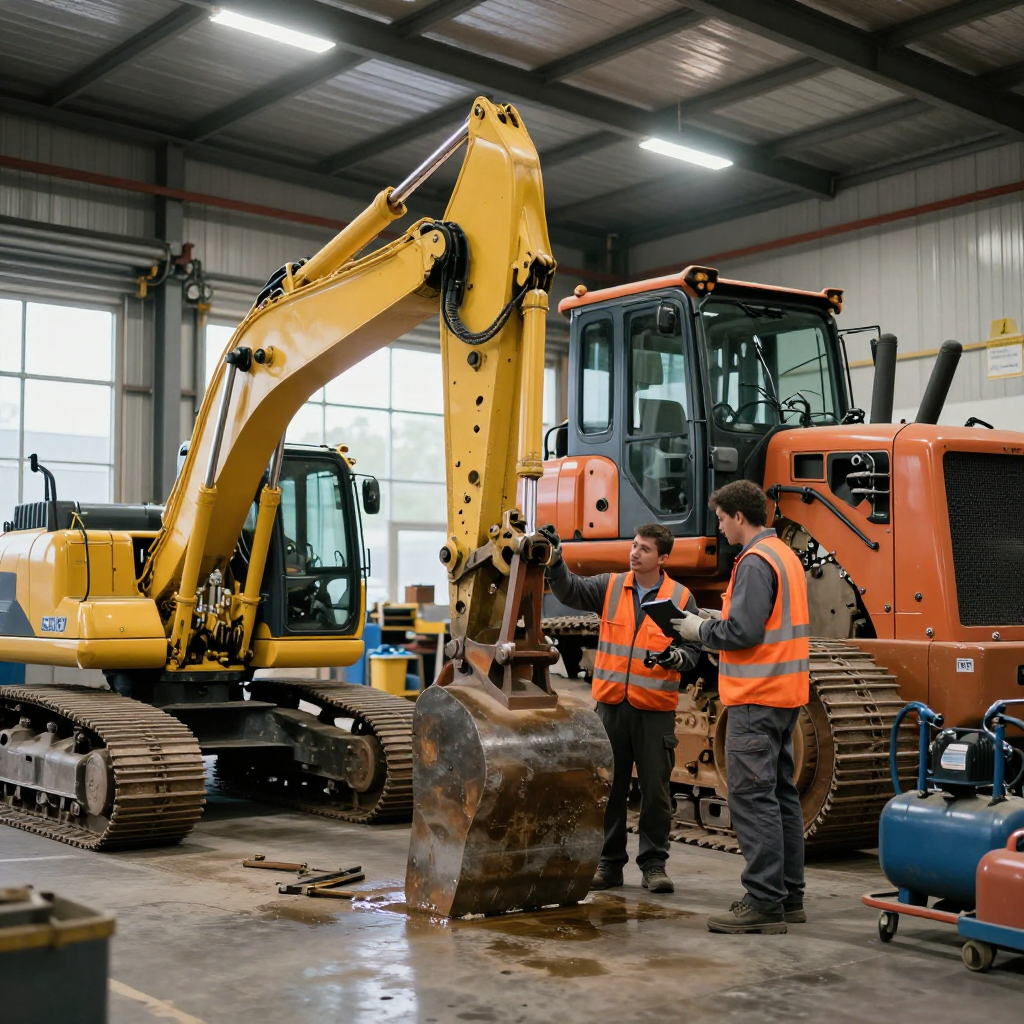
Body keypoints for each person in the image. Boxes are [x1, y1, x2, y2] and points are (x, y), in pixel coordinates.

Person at [671, 479, 810, 934]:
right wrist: (718, 624)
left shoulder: (753, 562)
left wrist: (699, 632)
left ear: (737, 516)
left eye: (720, 518)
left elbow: (745, 633)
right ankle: (788, 896)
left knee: (752, 798)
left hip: (755, 696)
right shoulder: (784, 556)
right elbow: (763, 625)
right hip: (784, 695)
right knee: (782, 797)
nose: (719, 527)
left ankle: (763, 901)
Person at [540, 522, 701, 894]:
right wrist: (556, 560)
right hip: (611, 707)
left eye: (644, 549)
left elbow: (694, 650)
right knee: (608, 790)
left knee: (655, 792)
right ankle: (609, 864)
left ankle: (654, 866)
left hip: (654, 710)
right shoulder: (611, 586)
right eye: (634, 545)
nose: (635, 552)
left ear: (662, 557)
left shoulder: (680, 597)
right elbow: (569, 591)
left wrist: (679, 656)